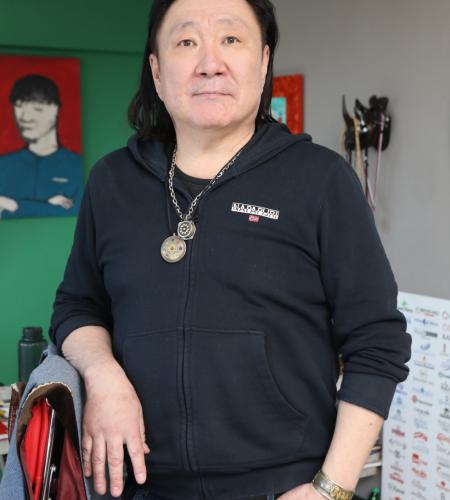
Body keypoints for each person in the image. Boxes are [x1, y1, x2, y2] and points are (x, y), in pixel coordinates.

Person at [48, 0, 412, 499]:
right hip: (137, 486)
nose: (209, 62)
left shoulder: (321, 181)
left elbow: (377, 342)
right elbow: (78, 305)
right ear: (157, 70)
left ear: (263, 62)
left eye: (231, 39)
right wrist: (102, 374)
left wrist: (330, 489)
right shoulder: (112, 182)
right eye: (186, 41)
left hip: (284, 487)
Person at [0, 74, 83, 219]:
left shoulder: (79, 167)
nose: (25, 117)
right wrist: (49, 207)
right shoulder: (3, 166)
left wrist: (11, 205)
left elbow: (80, 215)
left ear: (56, 109)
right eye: (18, 106)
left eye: (37, 108)